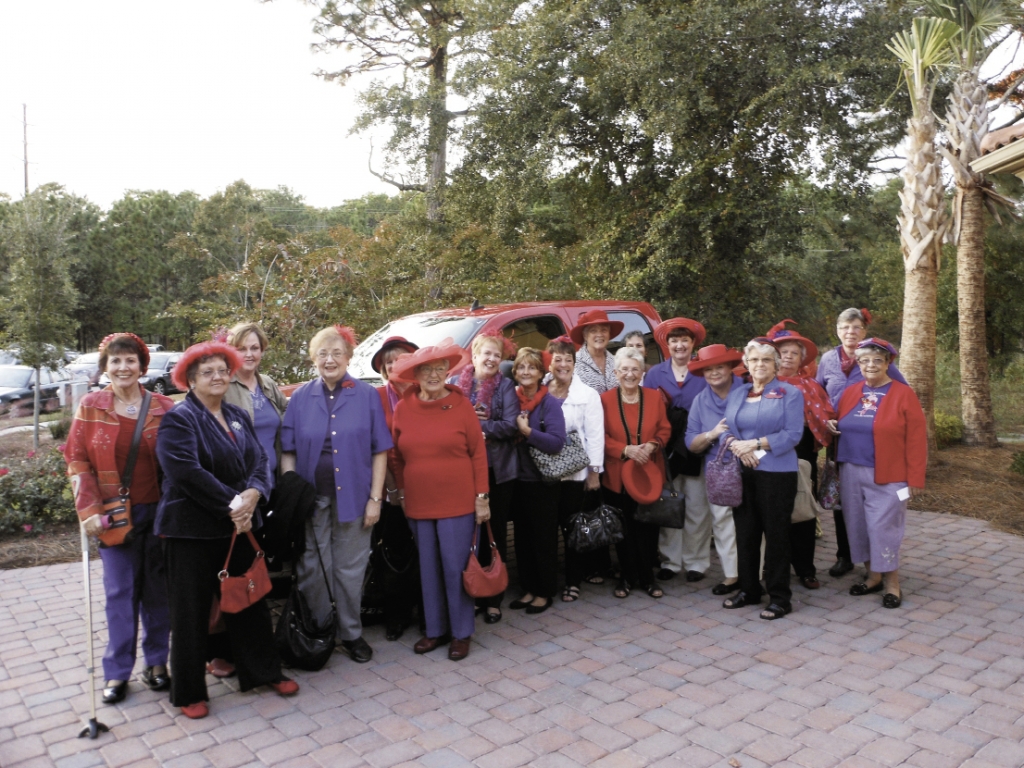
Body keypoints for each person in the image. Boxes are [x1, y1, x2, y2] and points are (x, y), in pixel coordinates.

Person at [155, 340, 295, 719]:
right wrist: (235, 505)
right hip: (190, 531)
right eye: (207, 372)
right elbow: (185, 473)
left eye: (222, 370)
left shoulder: (236, 414)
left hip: (239, 526)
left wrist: (254, 493)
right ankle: (189, 691)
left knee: (249, 602)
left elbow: (259, 460)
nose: (217, 377)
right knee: (190, 613)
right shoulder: (178, 419)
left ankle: (264, 671)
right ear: (190, 379)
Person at [65, 333, 175, 705]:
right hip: (113, 515)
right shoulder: (91, 405)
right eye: (116, 361)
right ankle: (117, 672)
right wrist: (89, 509)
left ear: (143, 366)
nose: (123, 367)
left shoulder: (163, 406)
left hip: (160, 511)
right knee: (119, 593)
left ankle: (157, 663)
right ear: (105, 367)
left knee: (158, 592)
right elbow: (76, 459)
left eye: (130, 361)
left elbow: (180, 459)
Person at [280, 325, 391, 664]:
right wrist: (292, 491)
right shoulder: (300, 397)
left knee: (350, 569)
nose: (330, 360)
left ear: (348, 358)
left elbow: (380, 450)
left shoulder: (367, 396)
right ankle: (318, 630)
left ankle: (351, 633)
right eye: (322, 354)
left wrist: (375, 499)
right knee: (312, 566)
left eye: (336, 353)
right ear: (314, 359)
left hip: (356, 498)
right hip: (312, 501)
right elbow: (288, 449)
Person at [390, 342, 490, 660]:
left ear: (447, 373)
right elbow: (396, 457)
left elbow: (478, 454)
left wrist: (482, 498)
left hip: (458, 501)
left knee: (454, 567)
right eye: (426, 369)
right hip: (419, 501)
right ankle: (434, 630)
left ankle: (461, 632)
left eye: (439, 369)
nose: (433, 375)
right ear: (416, 374)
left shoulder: (461, 406)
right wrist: (403, 492)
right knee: (428, 568)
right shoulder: (403, 408)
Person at [828, 339, 926, 609]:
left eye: (877, 360)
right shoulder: (850, 393)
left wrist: (915, 478)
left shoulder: (903, 394)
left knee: (883, 529)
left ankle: (892, 582)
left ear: (887, 363)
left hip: (890, 474)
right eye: (864, 361)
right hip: (850, 469)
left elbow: (917, 439)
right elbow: (836, 418)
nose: (870, 365)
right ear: (858, 364)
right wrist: (831, 423)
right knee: (857, 526)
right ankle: (872, 576)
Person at [816, 308, 907, 578]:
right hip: (837, 440)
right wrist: (825, 419)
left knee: (869, 501)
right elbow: (817, 394)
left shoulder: (873, 359)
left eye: (856, 328)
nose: (850, 333)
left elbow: (900, 390)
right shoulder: (828, 359)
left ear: (863, 332)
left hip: (869, 442)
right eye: (845, 327)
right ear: (837, 330)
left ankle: (874, 560)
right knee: (842, 499)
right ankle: (846, 555)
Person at [721, 339, 805, 620]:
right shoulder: (737, 393)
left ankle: (780, 597)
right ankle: (749, 590)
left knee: (776, 535)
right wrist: (737, 446)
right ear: (746, 363)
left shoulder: (789, 393)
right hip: (742, 470)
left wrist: (754, 444)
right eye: (754, 359)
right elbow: (725, 430)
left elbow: (793, 434)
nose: (759, 365)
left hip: (777, 473)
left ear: (776, 365)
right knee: (745, 534)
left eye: (766, 360)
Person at [451, 332, 519, 624]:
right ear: (474, 355)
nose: (491, 359)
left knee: (494, 533)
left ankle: (493, 598)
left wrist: (483, 430)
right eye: (486, 353)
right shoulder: (456, 385)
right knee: (468, 535)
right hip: (461, 471)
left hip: (496, 470)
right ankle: (473, 594)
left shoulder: (505, 387)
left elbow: (511, 426)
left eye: (496, 355)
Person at [766, 320, 837, 590]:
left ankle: (806, 568)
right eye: (783, 352)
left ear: (801, 359)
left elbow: (825, 415)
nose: (787, 357)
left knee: (803, 509)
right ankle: (776, 567)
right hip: (770, 451)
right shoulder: (760, 383)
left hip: (802, 452)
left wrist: (827, 424)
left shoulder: (810, 386)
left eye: (794, 353)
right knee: (775, 511)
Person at [642, 317, 710, 583]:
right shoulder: (655, 373)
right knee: (668, 503)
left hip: (695, 447)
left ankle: (696, 561)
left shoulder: (703, 372)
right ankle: (670, 561)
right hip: (665, 449)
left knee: (696, 506)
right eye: (674, 340)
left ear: (693, 344)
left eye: (685, 340)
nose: (679, 345)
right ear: (666, 344)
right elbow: (648, 412)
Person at [601, 347, 672, 599]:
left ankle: (648, 578)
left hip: (648, 474)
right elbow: (601, 437)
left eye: (635, 369)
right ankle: (627, 578)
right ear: (615, 372)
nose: (629, 374)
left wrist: (653, 444)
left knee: (647, 527)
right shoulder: (605, 400)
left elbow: (665, 429)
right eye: (624, 369)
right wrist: (626, 449)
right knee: (624, 530)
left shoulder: (654, 397)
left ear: (642, 372)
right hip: (617, 475)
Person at [544, 336, 605, 603]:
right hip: (544, 473)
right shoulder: (540, 389)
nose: (563, 364)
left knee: (572, 528)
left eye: (568, 359)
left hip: (575, 474)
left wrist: (594, 473)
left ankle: (573, 581)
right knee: (546, 529)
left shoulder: (587, 395)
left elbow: (595, 435)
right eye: (557, 359)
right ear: (549, 362)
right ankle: (546, 582)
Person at [508, 347, 567, 614]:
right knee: (522, 539)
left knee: (542, 539)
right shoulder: (512, 399)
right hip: (516, 479)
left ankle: (544, 591)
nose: (526, 372)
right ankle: (529, 588)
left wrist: (527, 431)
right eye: (521, 367)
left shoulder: (549, 403)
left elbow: (556, 443)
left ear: (541, 373)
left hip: (542, 482)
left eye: (531, 367)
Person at [682, 344, 744, 595]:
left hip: (752, 463)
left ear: (730, 367)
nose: (714, 373)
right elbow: (692, 442)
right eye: (709, 369)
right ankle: (732, 575)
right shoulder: (700, 400)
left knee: (753, 521)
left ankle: (757, 570)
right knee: (722, 522)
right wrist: (712, 434)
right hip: (718, 471)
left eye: (719, 367)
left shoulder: (748, 391)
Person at [371, 335, 421, 640]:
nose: (394, 364)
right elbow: (379, 446)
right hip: (391, 489)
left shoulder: (424, 392)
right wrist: (394, 490)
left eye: (400, 359)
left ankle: (428, 611)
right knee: (395, 554)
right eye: (388, 361)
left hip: (426, 485)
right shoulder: (376, 397)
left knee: (426, 552)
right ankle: (397, 616)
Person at [223, 323, 288, 493]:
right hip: (240, 489)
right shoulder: (222, 387)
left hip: (272, 484)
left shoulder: (267, 383)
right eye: (241, 349)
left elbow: (289, 412)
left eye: (254, 348)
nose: (249, 354)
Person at [571, 310, 624, 393]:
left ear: (609, 334)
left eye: (604, 330)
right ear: (585, 335)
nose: (599, 334)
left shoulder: (617, 362)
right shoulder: (573, 363)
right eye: (593, 331)